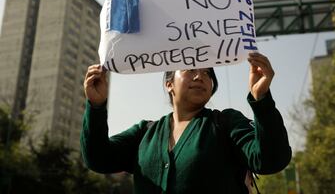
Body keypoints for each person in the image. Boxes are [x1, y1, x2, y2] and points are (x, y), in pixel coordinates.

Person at [81, 52, 292, 194]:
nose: (200, 75)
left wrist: (261, 99)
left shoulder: (226, 123)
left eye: (207, 73)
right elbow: (98, 158)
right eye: (190, 69)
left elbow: (271, 160)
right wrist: (96, 106)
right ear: (169, 83)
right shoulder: (144, 133)